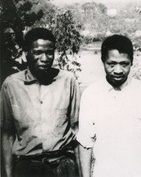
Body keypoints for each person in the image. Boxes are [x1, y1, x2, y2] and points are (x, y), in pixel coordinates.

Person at [0, 27, 81, 177]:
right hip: (26, 169)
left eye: (49, 52)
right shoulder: (11, 85)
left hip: (62, 167)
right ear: (26, 53)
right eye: (38, 52)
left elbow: (77, 130)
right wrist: (7, 174)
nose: (44, 58)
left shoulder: (68, 81)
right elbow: (7, 134)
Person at [77, 35, 141, 177]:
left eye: (124, 64)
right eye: (111, 64)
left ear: (132, 62)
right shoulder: (91, 94)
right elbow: (85, 142)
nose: (118, 70)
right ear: (103, 61)